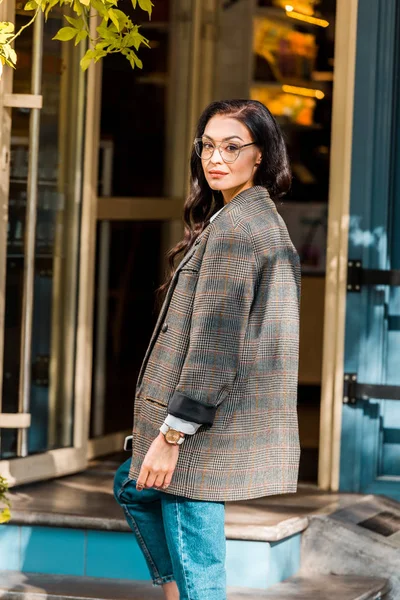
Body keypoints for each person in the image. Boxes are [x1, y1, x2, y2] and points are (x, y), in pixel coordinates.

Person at [113, 99, 301, 600]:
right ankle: (175, 591)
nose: (216, 158)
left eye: (232, 147)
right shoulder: (245, 218)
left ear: (260, 156)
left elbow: (215, 346)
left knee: (201, 571)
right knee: (132, 485)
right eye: (208, 146)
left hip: (200, 428)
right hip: (204, 421)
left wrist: (172, 435)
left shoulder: (238, 230)